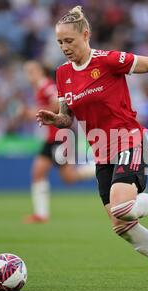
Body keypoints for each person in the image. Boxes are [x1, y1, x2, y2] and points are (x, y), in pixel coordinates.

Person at [35, 6, 148, 288]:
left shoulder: (108, 60)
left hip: (129, 140)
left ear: (85, 35)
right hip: (101, 151)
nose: (64, 47)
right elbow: (68, 117)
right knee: (121, 226)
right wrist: (58, 119)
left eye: (69, 41)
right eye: (60, 42)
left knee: (123, 207)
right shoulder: (62, 74)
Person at [22, 61, 95, 223]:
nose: (29, 75)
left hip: (62, 136)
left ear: (41, 71)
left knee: (67, 177)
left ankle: (100, 167)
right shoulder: (40, 88)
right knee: (41, 173)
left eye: (32, 71)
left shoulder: (47, 86)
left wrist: (34, 112)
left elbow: (59, 104)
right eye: (27, 72)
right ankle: (41, 215)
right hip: (53, 138)